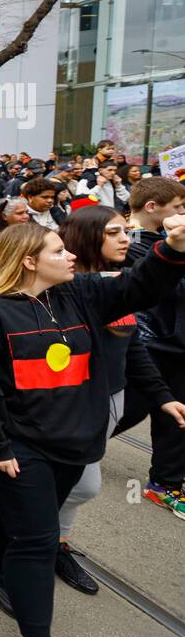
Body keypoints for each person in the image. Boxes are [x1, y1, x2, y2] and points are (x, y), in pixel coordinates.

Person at [0, 215, 185, 637]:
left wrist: (174, 248)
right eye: (58, 251)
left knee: (16, 515)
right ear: (29, 261)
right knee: (38, 539)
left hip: (73, 443)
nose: (70, 256)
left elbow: (139, 288)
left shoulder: (80, 293)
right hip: (17, 445)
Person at [53, 206, 181, 593]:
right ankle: (14, 550)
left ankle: (55, 543)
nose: (126, 238)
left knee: (72, 484)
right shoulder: (68, 287)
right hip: (72, 404)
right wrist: (173, 247)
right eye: (113, 232)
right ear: (87, 237)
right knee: (81, 485)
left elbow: (132, 346)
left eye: (125, 230)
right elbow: (148, 283)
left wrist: (162, 396)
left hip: (112, 399)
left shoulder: (114, 282)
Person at [121, 177, 185, 518]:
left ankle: (165, 483)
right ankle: (54, 449)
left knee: (176, 416)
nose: (183, 213)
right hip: (149, 342)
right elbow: (163, 287)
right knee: (125, 411)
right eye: (178, 208)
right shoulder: (128, 242)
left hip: (175, 344)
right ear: (152, 207)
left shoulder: (164, 239)